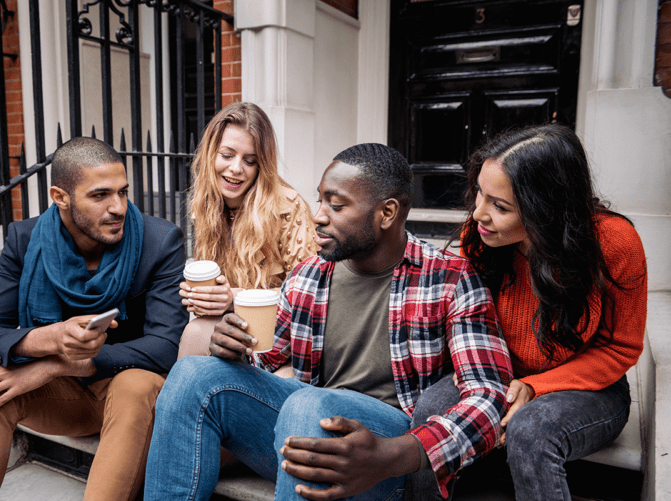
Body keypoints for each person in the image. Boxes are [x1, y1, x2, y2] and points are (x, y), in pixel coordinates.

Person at [144, 143, 513, 500]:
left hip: (384, 458)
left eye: (336, 206)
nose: (318, 215)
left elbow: (488, 396)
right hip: (306, 440)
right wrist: (236, 351)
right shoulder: (308, 276)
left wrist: (396, 454)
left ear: (387, 213)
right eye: (320, 200)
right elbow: (269, 361)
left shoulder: (451, 280)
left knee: (311, 406)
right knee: (194, 373)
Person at [0, 137, 188, 501]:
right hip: (68, 401)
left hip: (132, 400)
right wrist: (50, 338)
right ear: (60, 197)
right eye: (100, 195)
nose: (118, 207)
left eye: (123, 192)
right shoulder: (25, 240)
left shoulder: (159, 241)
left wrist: (57, 365)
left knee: (135, 385)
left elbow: (164, 348)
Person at [456, 124, 647, 500]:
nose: (478, 213)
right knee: (431, 404)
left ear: (546, 207)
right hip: (501, 371)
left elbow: (620, 348)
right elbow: (468, 324)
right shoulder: (482, 237)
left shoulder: (614, 244)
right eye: (480, 192)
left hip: (590, 387)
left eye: (500, 206)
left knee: (532, 429)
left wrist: (536, 387)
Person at [178, 101, 316, 357]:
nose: (236, 168)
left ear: (261, 166)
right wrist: (204, 297)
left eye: (249, 160)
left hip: (281, 335)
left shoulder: (287, 205)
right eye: (227, 155)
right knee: (194, 332)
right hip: (230, 329)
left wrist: (234, 297)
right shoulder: (206, 205)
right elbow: (215, 295)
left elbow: (309, 293)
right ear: (211, 154)